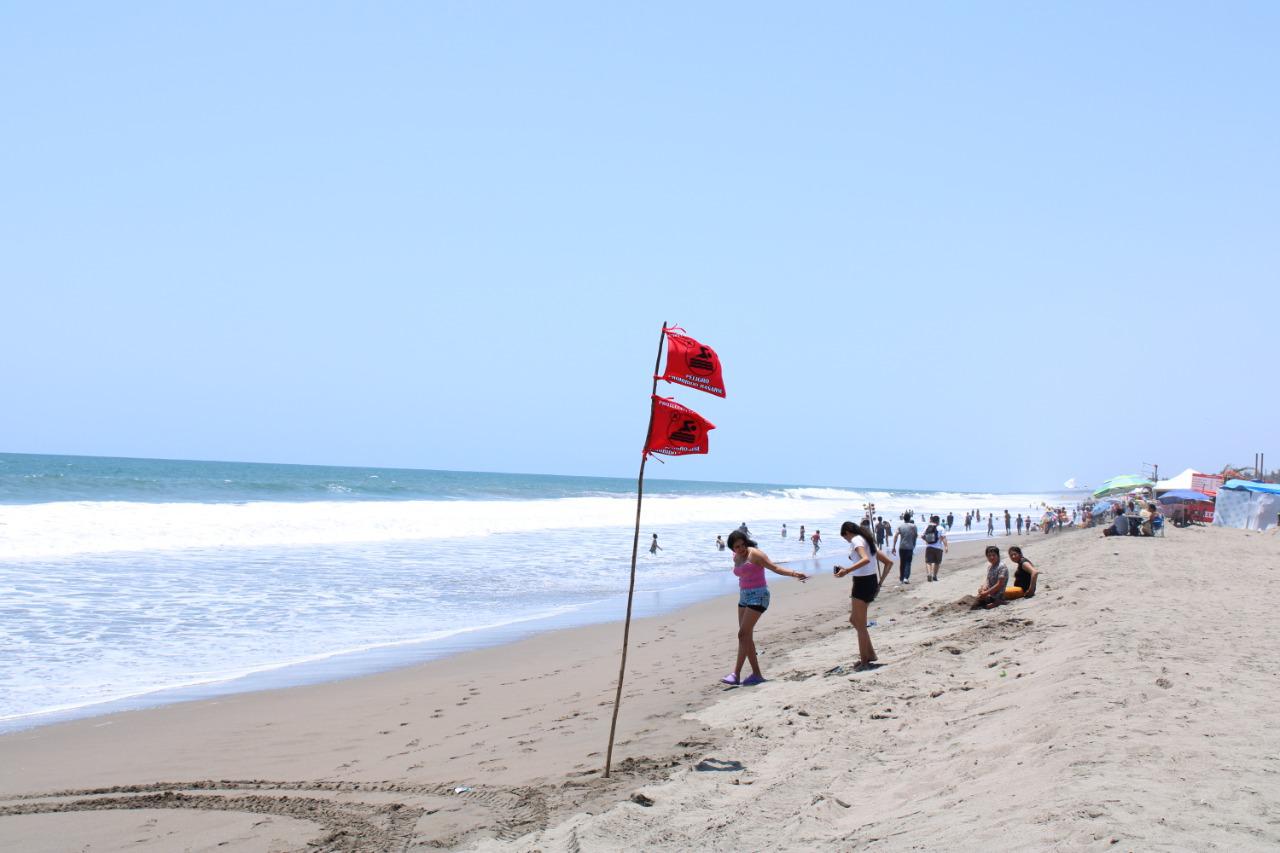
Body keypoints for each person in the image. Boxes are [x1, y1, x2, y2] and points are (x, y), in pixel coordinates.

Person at [721, 530, 808, 686]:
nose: (740, 549)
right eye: (736, 547)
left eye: (742, 545)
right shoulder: (736, 556)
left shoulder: (755, 555)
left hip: (759, 595)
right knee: (744, 637)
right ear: (732, 548)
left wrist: (795, 574)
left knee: (743, 634)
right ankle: (745, 674)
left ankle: (747, 674)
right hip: (744, 596)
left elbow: (775, 568)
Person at [834, 520, 893, 670]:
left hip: (862, 583)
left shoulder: (855, 540)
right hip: (870, 582)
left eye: (844, 537)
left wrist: (847, 570)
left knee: (860, 624)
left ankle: (865, 661)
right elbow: (888, 562)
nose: (846, 540)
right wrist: (879, 584)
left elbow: (865, 559)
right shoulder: (867, 541)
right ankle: (871, 654)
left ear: (847, 532)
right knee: (854, 620)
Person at [893, 511, 918, 583]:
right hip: (910, 547)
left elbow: (896, 536)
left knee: (902, 563)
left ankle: (901, 578)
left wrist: (894, 546)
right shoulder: (913, 526)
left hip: (902, 547)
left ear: (903, 518)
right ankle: (906, 578)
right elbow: (915, 536)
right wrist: (914, 544)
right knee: (908, 562)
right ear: (910, 518)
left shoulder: (900, 526)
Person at [922, 515, 949, 581]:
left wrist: (927, 541)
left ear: (932, 520)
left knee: (928, 562)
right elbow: (943, 538)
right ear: (938, 521)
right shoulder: (941, 528)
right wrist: (946, 546)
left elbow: (923, 536)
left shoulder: (927, 527)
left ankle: (929, 574)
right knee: (937, 562)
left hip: (929, 547)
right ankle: (934, 576)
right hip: (938, 548)